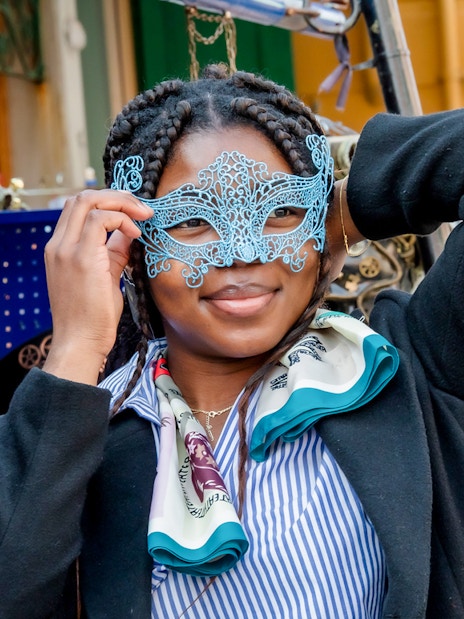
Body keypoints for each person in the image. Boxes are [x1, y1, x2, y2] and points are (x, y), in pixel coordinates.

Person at [1, 64, 463, 619]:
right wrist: (77, 347)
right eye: (194, 220)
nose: (243, 253)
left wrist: (352, 208)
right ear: (134, 244)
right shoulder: (80, 434)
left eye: (281, 211)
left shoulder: (399, 370)